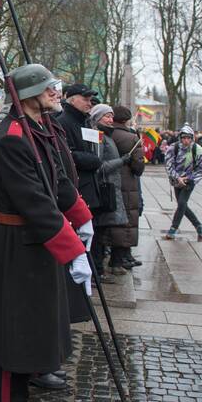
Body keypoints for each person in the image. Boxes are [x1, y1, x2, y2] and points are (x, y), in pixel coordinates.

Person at [0, 64, 90, 402]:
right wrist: (72, 250)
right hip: (18, 244)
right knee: (15, 327)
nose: (55, 92)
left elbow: (55, 181)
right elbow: (34, 201)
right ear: (26, 96)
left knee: (32, 325)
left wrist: (81, 215)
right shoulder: (11, 137)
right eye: (46, 88)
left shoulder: (34, 129)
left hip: (35, 242)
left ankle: (20, 399)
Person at [88, 104, 129, 280]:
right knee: (97, 234)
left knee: (102, 233)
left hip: (110, 189)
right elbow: (99, 166)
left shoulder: (107, 135)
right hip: (103, 191)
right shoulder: (97, 136)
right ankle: (97, 271)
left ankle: (98, 269)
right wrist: (121, 161)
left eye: (112, 116)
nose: (110, 119)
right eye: (106, 116)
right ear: (97, 118)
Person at [105, 106, 145, 273]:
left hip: (108, 180)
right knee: (125, 220)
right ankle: (117, 260)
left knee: (110, 220)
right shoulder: (131, 138)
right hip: (127, 183)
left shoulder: (106, 134)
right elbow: (138, 166)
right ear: (126, 119)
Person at [56, 83, 103, 212]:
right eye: (85, 100)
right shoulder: (63, 123)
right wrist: (94, 160)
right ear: (72, 100)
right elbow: (67, 155)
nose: (89, 104)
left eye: (90, 100)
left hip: (89, 190)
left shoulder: (85, 121)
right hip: (77, 191)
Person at [164, 125, 202, 241]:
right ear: (180, 138)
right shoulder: (173, 148)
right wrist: (178, 178)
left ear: (192, 138)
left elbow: (201, 169)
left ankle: (173, 228)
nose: (186, 141)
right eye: (183, 138)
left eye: (188, 138)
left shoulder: (198, 150)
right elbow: (168, 165)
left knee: (182, 203)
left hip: (189, 181)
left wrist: (190, 179)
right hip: (176, 181)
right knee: (182, 206)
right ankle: (199, 227)